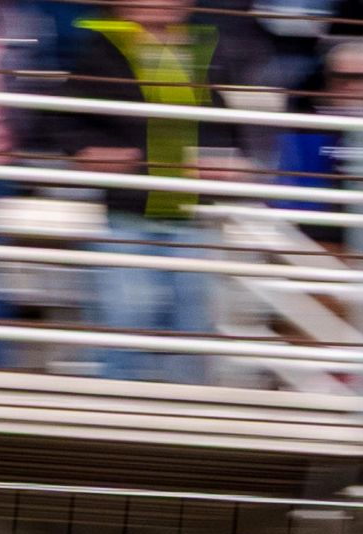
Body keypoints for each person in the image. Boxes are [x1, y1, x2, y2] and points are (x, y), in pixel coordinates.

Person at [42, 0, 256, 375]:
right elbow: (65, 121)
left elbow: (220, 124)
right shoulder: (100, 54)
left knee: (191, 314)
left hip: (188, 211)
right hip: (129, 209)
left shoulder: (201, 51)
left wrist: (225, 160)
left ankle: (182, 402)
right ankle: (122, 398)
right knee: (128, 311)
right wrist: (91, 151)